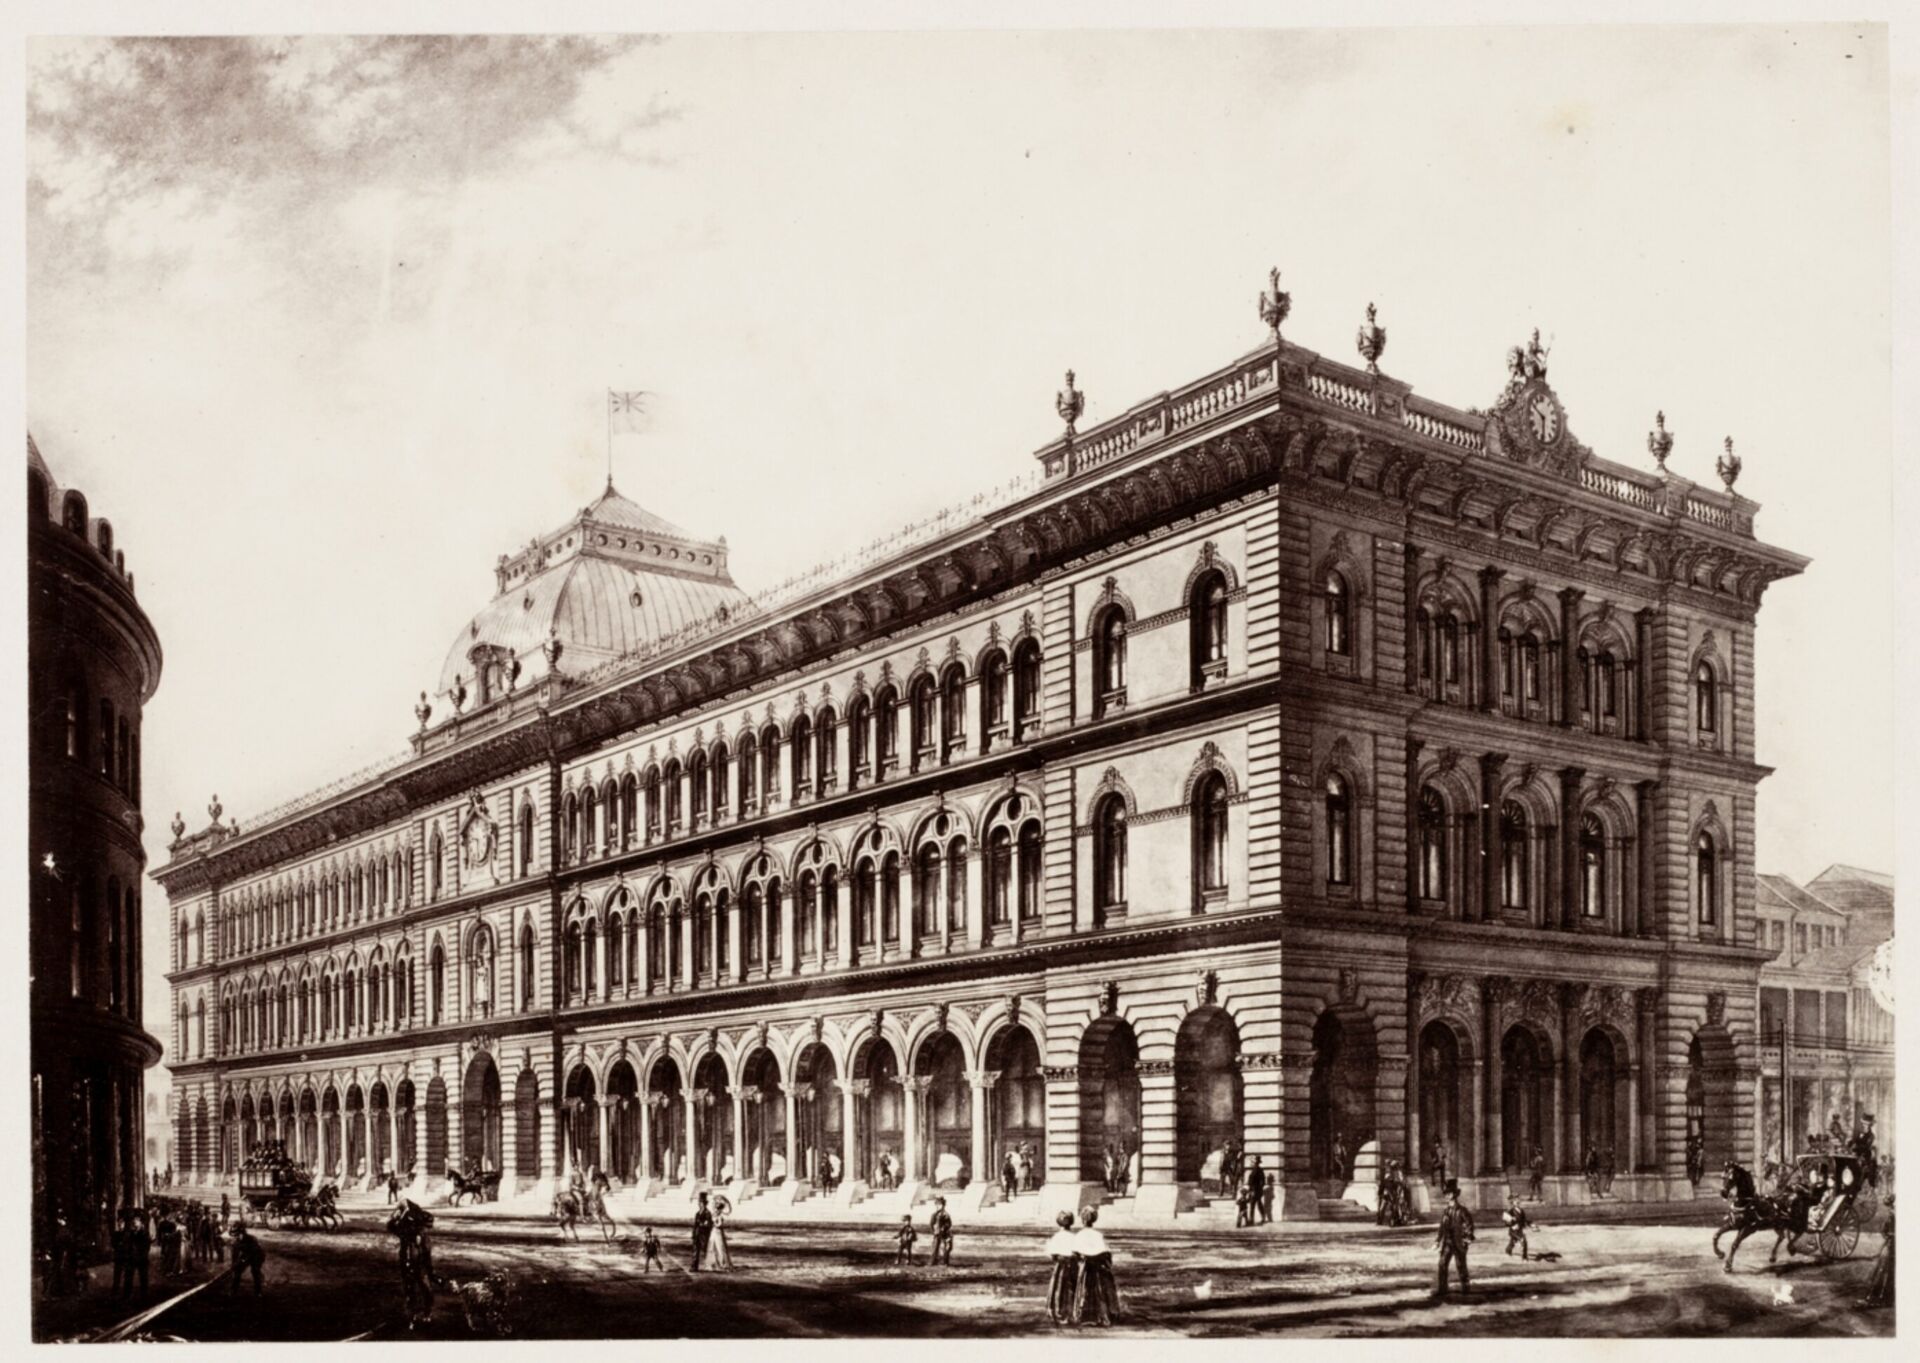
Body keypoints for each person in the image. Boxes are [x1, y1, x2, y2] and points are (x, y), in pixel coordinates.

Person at [387, 1198, 436, 1325]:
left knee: (424, 1288)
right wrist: (396, 1217)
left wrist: (429, 1271)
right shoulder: (407, 1234)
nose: (424, 1230)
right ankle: (413, 1314)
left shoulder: (422, 1239)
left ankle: (426, 1312)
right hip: (408, 1264)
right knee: (411, 1289)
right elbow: (391, 1227)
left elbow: (427, 1257)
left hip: (418, 1266)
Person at [1071, 1206, 1119, 1326]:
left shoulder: (1079, 1235)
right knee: (1100, 1292)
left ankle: (1084, 1316)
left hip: (1085, 1269)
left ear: (1082, 1220)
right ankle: (1101, 1315)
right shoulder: (1098, 1235)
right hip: (1098, 1269)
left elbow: (1075, 1253)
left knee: (1084, 1291)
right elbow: (1106, 1253)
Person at [1432, 1179, 1474, 1299]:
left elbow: (1469, 1225)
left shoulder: (1462, 1210)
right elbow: (1442, 1227)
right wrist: (1437, 1241)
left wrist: (1467, 1239)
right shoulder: (1446, 1211)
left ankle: (1466, 1289)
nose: (1446, 1196)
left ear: (1454, 1195)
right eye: (1446, 1194)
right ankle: (1442, 1290)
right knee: (1442, 1264)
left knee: (1461, 1266)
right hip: (1448, 1243)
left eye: (1449, 1194)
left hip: (1459, 1243)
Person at [1046, 1212, 1079, 1325]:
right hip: (1073, 1266)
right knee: (1072, 1289)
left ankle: (1059, 1312)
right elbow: (1078, 1253)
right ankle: (1071, 1312)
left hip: (1061, 1266)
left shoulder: (1056, 1237)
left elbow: (1052, 1255)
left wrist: (1059, 1258)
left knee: (1059, 1288)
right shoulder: (1074, 1237)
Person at [1864, 1194, 1893, 1308]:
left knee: (1885, 1268)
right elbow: (1884, 1230)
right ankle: (1882, 1295)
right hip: (1891, 1243)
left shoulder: (1891, 1215)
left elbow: (1884, 1230)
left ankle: (1882, 1296)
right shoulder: (1891, 1215)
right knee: (1884, 1268)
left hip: (1892, 1244)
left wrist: (1888, 1235)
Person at [229, 1220, 265, 1297]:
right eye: (234, 1235)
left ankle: (258, 1292)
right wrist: (234, 1265)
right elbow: (235, 1255)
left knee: (255, 1272)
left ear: (242, 1233)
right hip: (246, 1255)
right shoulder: (236, 1242)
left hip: (257, 1256)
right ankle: (233, 1290)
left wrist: (243, 1260)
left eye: (237, 1234)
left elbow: (253, 1252)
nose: (235, 1237)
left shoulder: (252, 1239)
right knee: (237, 1270)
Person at [702, 1196, 734, 1271]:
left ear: (720, 1210)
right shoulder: (713, 1215)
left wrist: (714, 1223)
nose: (716, 1210)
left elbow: (719, 1225)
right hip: (713, 1232)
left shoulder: (720, 1216)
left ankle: (722, 1264)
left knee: (719, 1247)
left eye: (717, 1209)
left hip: (718, 1232)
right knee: (711, 1247)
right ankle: (712, 1264)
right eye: (716, 1209)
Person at [127, 1206, 151, 1298]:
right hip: (132, 1257)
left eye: (137, 1220)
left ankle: (144, 1294)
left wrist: (142, 1254)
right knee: (129, 1276)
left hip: (141, 1258)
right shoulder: (132, 1232)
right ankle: (128, 1294)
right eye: (134, 1220)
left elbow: (146, 1247)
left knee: (143, 1277)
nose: (135, 1222)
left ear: (141, 1222)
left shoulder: (144, 1233)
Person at [1502, 1192, 1531, 1260]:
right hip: (1513, 1230)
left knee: (1512, 1242)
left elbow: (1524, 1220)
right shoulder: (1510, 1211)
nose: (1517, 1201)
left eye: (1518, 1200)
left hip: (1519, 1230)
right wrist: (1512, 1223)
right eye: (1515, 1200)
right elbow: (1506, 1220)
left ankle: (1508, 1250)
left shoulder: (1521, 1210)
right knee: (1523, 1241)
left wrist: (1529, 1224)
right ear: (1512, 1202)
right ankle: (1524, 1257)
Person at [690, 1193, 714, 1272]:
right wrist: (693, 1233)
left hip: (704, 1234)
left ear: (705, 1203)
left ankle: (709, 1265)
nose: (700, 1204)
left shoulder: (707, 1213)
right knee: (695, 1250)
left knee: (705, 1250)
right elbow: (695, 1225)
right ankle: (694, 1266)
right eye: (699, 1202)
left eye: (701, 1202)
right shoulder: (697, 1213)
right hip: (697, 1234)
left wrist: (703, 1224)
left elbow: (709, 1224)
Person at [929, 1196, 954, 1266]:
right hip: (937, 1233)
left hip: (945, 1233)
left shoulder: (946, 1214)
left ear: (943, 1205)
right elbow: (931, 1223)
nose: (939, 1206)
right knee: (935, 1247)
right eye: (938, 1205)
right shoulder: (934, 1214)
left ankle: (945, 1262)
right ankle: (933, 1261)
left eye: (941, 1205)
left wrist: (944, 1228)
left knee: (945, 1248)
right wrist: (934, 1230)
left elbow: (949, 1223)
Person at [158, 1208, 181, 1277]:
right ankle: (166, 1269)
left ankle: (165, 1269)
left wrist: (160, 1240)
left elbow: (159, 1233)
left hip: (166, 1241)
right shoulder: (171, 1224)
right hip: (169, 1241)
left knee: (165, 1254)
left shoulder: (162, 1223)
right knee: (167, 1255)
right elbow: (174, 1233)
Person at [1248, 1154, 1271, 1225]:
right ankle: (1260, 1218)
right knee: (1257, 1204)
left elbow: (1262, 1182)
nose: (1251, 1163)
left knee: (1254, 1204)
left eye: (1252, 1162)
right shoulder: (1255, 1170)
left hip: (1256, 1190)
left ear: (1255, 1162)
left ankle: (1252, 1220)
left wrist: (1255, 1190)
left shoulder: (1258, 1170)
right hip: (1254, 1190)